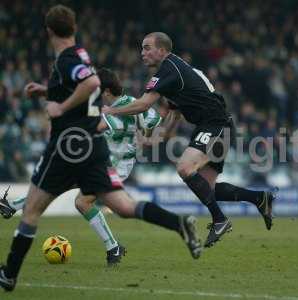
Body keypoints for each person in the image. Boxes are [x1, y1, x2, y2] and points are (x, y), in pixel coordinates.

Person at [0, 7, 201, 292]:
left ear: (48, 32)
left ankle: (9, 270)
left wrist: (60, 105)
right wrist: (47, 93)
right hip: (99, 155)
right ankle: (177, 223)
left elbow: (92, 88)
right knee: (120, 206)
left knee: (38, 208)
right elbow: (141, 119)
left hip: (74, 147)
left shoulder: (69, 60)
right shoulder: (81, 55)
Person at [103, 32, 277, 248]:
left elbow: (143, 104)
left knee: (185, 168)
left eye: (147, 48)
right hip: (214, 125)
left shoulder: (169, 68)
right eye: (142, 48)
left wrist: (112, 110)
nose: (142, 53)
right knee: (208, 189)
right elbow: (175, 113)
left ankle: (220, 220)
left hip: (216, 125)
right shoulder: (174, 72)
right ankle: (259, 198)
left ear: (162, 50)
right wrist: (158, 138)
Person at [0, 68, 164, 266]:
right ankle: (113, 248)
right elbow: (154, 119)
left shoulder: (114, 110)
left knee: (77, 197)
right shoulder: (135, 103)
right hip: (107, 162)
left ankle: (12, 206)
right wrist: (144, 134)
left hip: (113, 166)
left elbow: (102, 125)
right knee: (73, 195)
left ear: (105, 92)